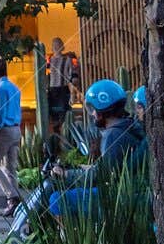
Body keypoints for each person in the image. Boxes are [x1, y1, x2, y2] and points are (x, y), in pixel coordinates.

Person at [50, 78, 148, 215]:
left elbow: (102, 175)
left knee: (57, 199)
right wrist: (85, 168)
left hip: (123, 195)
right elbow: (113, 166)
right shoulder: (128, 126)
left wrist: (66, 174)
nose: (93, 114)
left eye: (93, 109)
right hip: (131, 190)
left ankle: (68, 236)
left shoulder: (113, 135)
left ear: (103, 110)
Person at [0, 57, 23, 217]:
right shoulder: (14, 87)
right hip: (16, 129)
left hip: (5, 130)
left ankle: (12, 196)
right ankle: (14, 204)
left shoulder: (0, 88)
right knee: (10, 168)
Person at [45, 37, 78, 142]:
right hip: (52, 91)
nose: (56, 47)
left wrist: (73, 94)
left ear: (62, 46)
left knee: (64, 117)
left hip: (63, 90)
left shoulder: (67, 60)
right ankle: (56, 138)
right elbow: (44, 76)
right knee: (54, 117)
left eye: (58, 45)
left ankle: (66, 139)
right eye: (54, 45)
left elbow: (73, 77)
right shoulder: (49, 61)